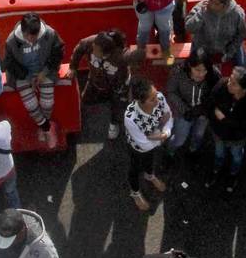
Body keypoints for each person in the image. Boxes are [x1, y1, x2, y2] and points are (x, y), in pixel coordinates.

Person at [3, 11, 64, 131]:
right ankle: (45, 127)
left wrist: (44, 72)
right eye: (27, 36)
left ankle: (45, 124)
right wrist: (27, 77)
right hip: (22, 75)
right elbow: (9, 63)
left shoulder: (50, 34)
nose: (31, 40)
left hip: (45, 71)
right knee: (30, 105)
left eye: (34, 36)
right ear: (22, 30)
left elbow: (58, 53)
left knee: (48, 103)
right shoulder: (11, 41)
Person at [71, 28, 135, 140]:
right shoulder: (90, 42)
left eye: (96, 50)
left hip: (117, 86)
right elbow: (79, 49)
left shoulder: (121, 56)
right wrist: (73, 67)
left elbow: (136, 60)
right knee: (85, 100)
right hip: (95, 80)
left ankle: (114, 124)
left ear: (107, 53)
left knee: (116, 107)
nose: (93, 50)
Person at [207, 66, 246, 194]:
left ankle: (233, 174)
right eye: (230, 79)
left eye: (234, 84)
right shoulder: (222, 84)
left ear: (244, 88)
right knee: (219, 153)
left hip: (238, 137)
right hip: (219, 133)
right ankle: (216, 170)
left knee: (236, 156)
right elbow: (210, 102)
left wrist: (224, 120)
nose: (229, 84)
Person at [124, 75, 173, 211]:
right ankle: (135, 192)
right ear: (141, 101)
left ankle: (149, 175)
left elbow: (169, 117)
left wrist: (161, 135)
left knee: (150, 160)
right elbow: (143, 144)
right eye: (152, 99)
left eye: (155, 94)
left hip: (153, 140)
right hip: (136, 148)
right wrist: (161, 135)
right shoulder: (131, 117)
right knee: (134, 168)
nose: (157, 100)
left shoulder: (160, 97)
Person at [166, 47, 219, 156]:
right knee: (179, 139)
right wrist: (185, 110)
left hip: (203, 114)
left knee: (199, 134)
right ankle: (170, 152)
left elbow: (217, 94)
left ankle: (193, 149)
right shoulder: (178, 73)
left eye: (205, 70)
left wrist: (204, 108)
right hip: (183, 113)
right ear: (190, 66)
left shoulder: (214, 74)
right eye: (197, 70)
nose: (201, 74)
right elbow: (171, 92)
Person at [185, 0, 246, 66]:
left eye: (215, 3)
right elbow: (189, 28)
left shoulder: (237, 14)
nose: (211, 5)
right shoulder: (202, 7)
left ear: (224, 5)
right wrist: (201, 14)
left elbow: (240, 35)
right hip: (202, 47)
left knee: (243, 66)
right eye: (210, 0)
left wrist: (230, 53)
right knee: (194, 66)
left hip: (227, 47)